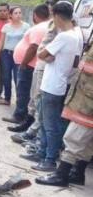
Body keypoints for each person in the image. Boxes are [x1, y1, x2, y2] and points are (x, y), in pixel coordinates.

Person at [30, 1, 82, 172]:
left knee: (49, 125)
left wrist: (48, 56)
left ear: (57, 16)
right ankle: (43, 153)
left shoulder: (63, 36)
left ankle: (49, 159)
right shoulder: (77, 34)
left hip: (52, 85)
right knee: (49, 123)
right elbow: (74, 61)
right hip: (63, 83)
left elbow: (41, 53)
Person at [35, 34, 93, 186]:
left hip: (88, 102)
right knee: (88, 141)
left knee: (74, 137)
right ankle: (78, 173)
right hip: (86, 98)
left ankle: (62, 175)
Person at [3, 4, 51, 125]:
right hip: (32, 64)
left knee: (23, 90)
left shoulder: (39, 28)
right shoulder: (47, 26)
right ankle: (24, 115)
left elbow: (33, 47)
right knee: (28, 91)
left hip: (29, 64)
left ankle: (20, 115)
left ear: (35, 15)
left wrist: (24, 63)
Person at [0, 7, 30, 106]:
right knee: (6, 76)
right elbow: (1, 41)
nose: (18, 15)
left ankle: (20, 101)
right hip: (6, 54)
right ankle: (7, 98)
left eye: (20, 13)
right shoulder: (6, 27)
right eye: (15, 13)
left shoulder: (26, 27)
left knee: (17, 77)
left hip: (18, 55)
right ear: (11, 15)